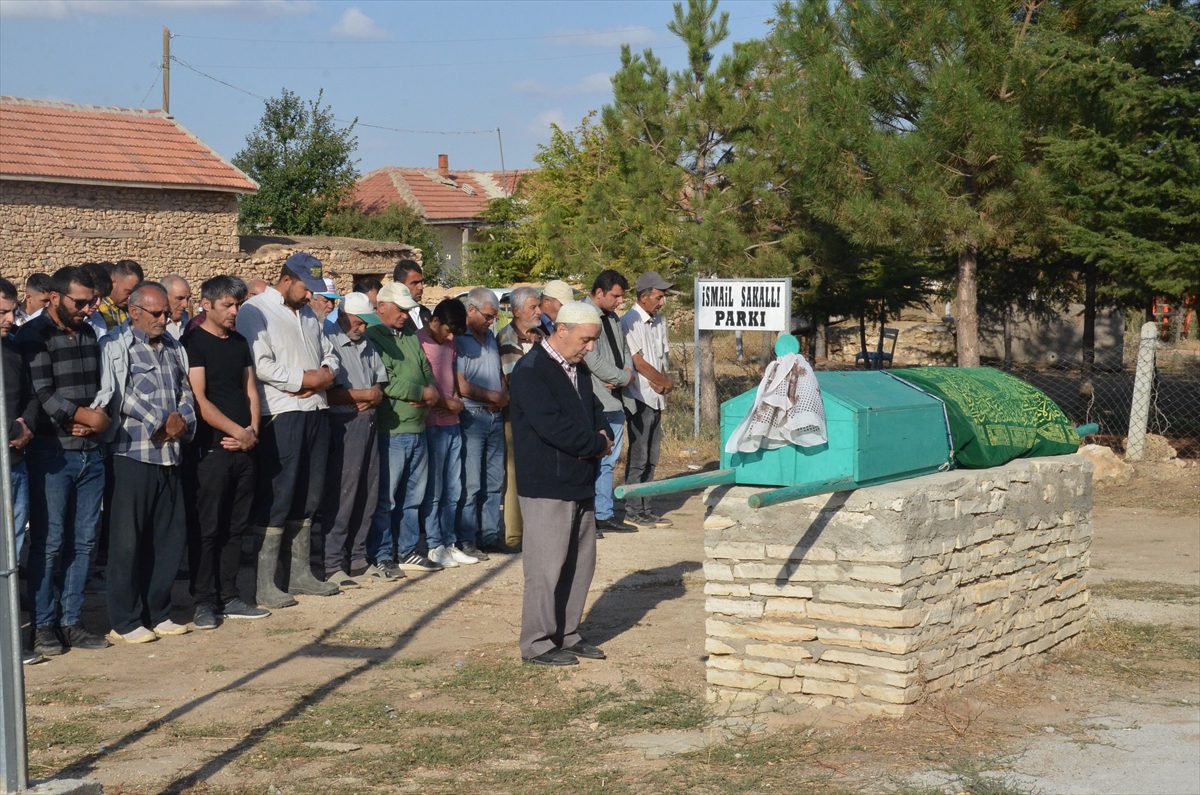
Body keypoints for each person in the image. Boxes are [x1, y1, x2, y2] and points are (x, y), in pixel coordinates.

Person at [236, 252, 342, 607]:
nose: (310, 295)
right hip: (282, 413)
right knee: (278, 495)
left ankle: (299, 574)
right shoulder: (256, 312)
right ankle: (265, 582)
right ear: (286, 279)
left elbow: (330, 350)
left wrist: (326, 373)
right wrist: (301, 379)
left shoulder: (309, 314)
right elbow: (260, 363)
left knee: (309, 495)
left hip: (315, 410)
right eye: (305, 287)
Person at [509, 301, 611, 666]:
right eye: (586, 339)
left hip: (579, 479)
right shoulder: (531, 370)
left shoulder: (577, 369)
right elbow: (551, 426)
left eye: (593, 340)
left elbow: (594, 411)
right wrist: (597, 444)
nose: (590, 347)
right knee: (546, 567)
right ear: (562, 330)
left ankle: (567, 634)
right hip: (547, 484)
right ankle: (536, 643)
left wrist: (601, 433)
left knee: (579, 565)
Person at [17, 265, 112, 656]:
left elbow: (100, 390)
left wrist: (98, 420)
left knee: (85, 542)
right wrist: (85, 417)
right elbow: (43, 394)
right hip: (51, 455)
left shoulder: (90, 333)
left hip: (91, 452)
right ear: (54, 297)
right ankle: (43, 625)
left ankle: (72, 621)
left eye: (92, 302)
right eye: (81, 302)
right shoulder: (33, 336)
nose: (89, 309)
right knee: (50, 542)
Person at [95, 282, 196, 643]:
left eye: (166, 313)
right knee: (127, 542)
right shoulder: (115, 346)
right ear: (134, 311)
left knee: (168, 538)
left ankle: (160, 611)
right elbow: (120, 395)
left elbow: (185, 389)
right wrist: (160, 421)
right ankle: (125, 620)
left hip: (171, 454)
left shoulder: (172, 346)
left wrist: (182, 420)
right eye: (156, 314)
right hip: (133, 454)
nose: (163, 319)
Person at [183, 275, 269, 629]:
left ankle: (230, 594)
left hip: (244, 448)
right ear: (207, 305)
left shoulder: (239, 342)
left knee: (236, 526)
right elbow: (199, 399)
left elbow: (251, 390)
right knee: (208, 527)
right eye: (228, 305)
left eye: (238, 305)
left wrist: (251, 433)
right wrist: (235, 431)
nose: (235, 311)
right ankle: (203, 600)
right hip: (212, 449)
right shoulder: (194, 343)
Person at [365, 282, 442, 578]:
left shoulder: (410, 334)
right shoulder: (374, 336)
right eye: (399, 310)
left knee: (413, 497)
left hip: (418, 427)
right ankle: (383, 554)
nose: (404, 316)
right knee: (387, 498)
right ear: (381, 306)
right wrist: (422, 393)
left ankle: (408, 548)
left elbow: (425, 368)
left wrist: (430, 388)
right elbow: (386, 380)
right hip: (392, 429)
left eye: (407, 310)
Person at [320, 292, 386, 586]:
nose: (363, 328)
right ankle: (332, 562)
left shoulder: (367, 343)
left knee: (368, 491)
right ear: (345, 317)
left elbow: (378, 385)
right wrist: (364, 395)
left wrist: (374, 396)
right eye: (359, 322)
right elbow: (327, 392)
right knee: (343, 493)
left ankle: (357, 557)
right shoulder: (329, 341)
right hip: (342, 423)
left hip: (368, 421)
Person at [0, 278, 42, 664]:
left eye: (13, 310)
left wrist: (25, 426)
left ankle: (10, 638)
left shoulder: (13, 349)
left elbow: (30, 395)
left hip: (15, 464)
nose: (11, 319)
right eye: (2, 312)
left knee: (12, 550)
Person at [418, 298, 477, 568]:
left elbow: (452, 377)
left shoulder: (450, 344)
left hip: (452, 422)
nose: (450, 336)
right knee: (435, 488)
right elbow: (421, 384)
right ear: (434, 321)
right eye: (447, 330)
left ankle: (450, 542)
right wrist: (444, 403)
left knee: (454, 487)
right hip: (431, 424)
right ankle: (434, 544)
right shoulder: (418, 342)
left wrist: (455, 402)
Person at [455, 287, 508, 555]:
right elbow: (462, 386)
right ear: (471, 310)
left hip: (494, 417)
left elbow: (499, 374)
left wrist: (503, 395)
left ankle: (489, 536)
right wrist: (494, 396)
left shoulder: (489, 338)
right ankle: (466, 538)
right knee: (472, 482)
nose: (491, 322)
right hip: (472, 416)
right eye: (488, 316)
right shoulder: (460, 341)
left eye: (494, 317)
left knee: (494, 481)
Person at [621, 271, 676, 529]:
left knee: (653, 455)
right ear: (644, 297)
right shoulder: (630, 321)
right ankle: (632, 508)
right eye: (659, 297)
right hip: (640, 396)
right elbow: (639, 362)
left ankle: (646, 507)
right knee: (639, 454)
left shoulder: (658, 321)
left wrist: (665, 381)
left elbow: (661, 358)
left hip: (657, 397)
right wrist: (662, 381)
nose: (662, 302)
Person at [584, 269, 637, 536]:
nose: (619, 302)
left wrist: (625, 376)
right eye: (615, 296)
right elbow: (589, 358)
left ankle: (605, 513)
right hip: (597, 400)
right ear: (599, 292)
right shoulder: (584, 316)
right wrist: (619, 376)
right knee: (597, 459)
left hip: (616, 399)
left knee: (610, 459)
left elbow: (625, 351)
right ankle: (594, 515)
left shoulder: (614, 319)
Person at [495, 285, 545, 549]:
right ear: (516, 311)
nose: (538, 312)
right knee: (514, 474)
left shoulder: (541, 335)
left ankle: (536, 530)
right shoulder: (507, 338)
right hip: (517, 415)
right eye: (532, 307)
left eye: (538, 306)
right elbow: (516, 381)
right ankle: (514, 535)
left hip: (541, 416)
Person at [93, 259, 143, 335]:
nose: (130, 298)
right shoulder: (95, 309)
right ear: (113, 282)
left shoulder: (133, 310)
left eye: (135, 293)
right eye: (128, 292)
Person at [393, 259, 428, 328]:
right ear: (399, 284)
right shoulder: (393, 316)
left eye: (421, 282)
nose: (420, 287)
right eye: (414, 283)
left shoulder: (425, 312)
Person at [161, 274, 192, 340]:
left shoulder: (189, 321)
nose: (185, 305)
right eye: (179, 298)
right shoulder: (153, 327)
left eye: (188, 298)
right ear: (164, 296)